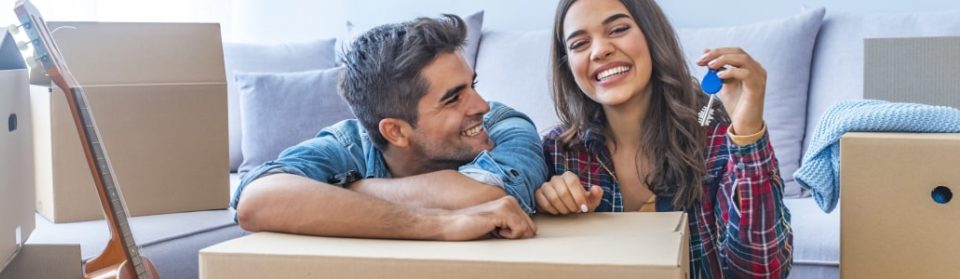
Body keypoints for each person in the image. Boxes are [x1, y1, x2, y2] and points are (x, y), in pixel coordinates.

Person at [232, 15, 548, 241]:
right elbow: (256, 201)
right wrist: (436, 225)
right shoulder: (350, 143)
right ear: (395, 132)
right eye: (453, 99)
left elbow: (490, 196)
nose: (481, 105)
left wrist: (348, 191)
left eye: (472, 85)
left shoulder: (505, 125)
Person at [538, 0, 793, 277]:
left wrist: (748, 135)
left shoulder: (718, 143)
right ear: (567, 65)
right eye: (579, 44)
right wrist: (544, 205)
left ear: (652, 36)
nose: (600, 51)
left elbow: (763, 272)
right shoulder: (558, 152)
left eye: (618, 29)